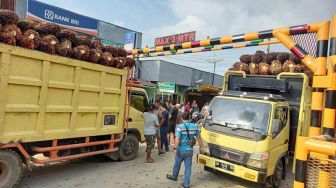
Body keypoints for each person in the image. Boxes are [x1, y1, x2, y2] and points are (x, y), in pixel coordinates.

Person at [166, 113, 204, 188]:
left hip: (180, 150)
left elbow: (177, 138)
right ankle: (186, 184)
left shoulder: (180, 127)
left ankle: (174, 176)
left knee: (177, 164)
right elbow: (199, 137)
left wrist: (175, 148)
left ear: (181, 119)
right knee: (188, 168)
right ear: (189, 118)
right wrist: (201, 146)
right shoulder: (194, 126)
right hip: (189, 150)